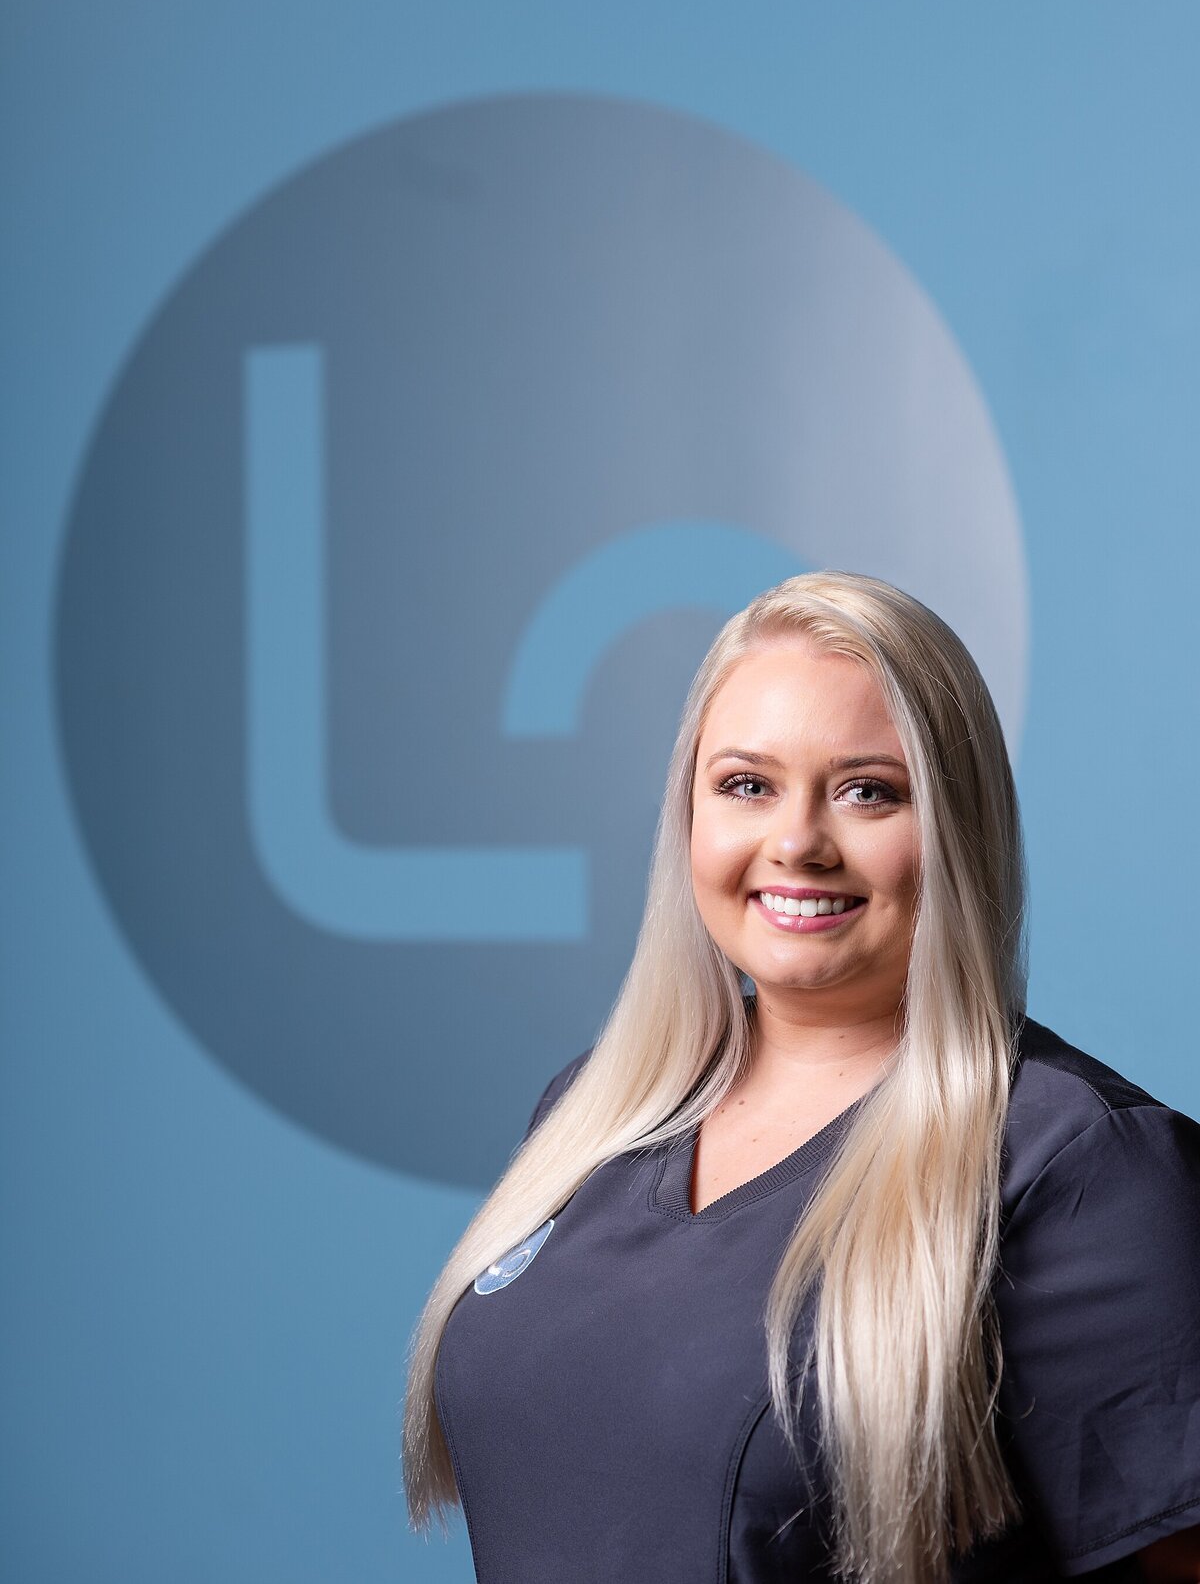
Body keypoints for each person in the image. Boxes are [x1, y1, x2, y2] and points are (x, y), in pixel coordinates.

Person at [402, 571, 1200, 1583]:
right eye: (747, 785)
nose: (796, 843)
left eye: (869, 789)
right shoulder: (595, 1112)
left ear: (957, 825)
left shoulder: (1082, 1168)